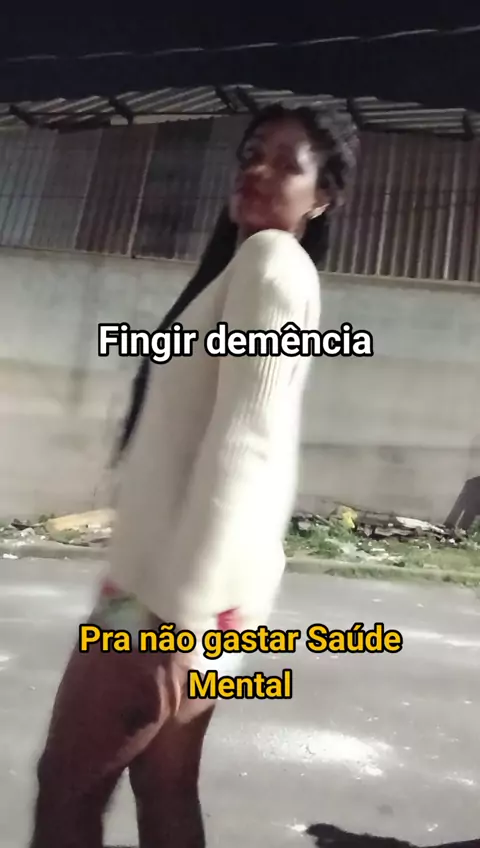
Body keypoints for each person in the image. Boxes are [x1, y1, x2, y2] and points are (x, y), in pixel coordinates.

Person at [30, 103, 358, 848]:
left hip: (162, 604)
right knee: (165, 785)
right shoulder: (249, 272)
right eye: (251, 153)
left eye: (287, 163)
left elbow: (248, 446)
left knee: (67, 788)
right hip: (203, 598)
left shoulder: (271, 263)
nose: (258, 169)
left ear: (323, 197)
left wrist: (177, 625)